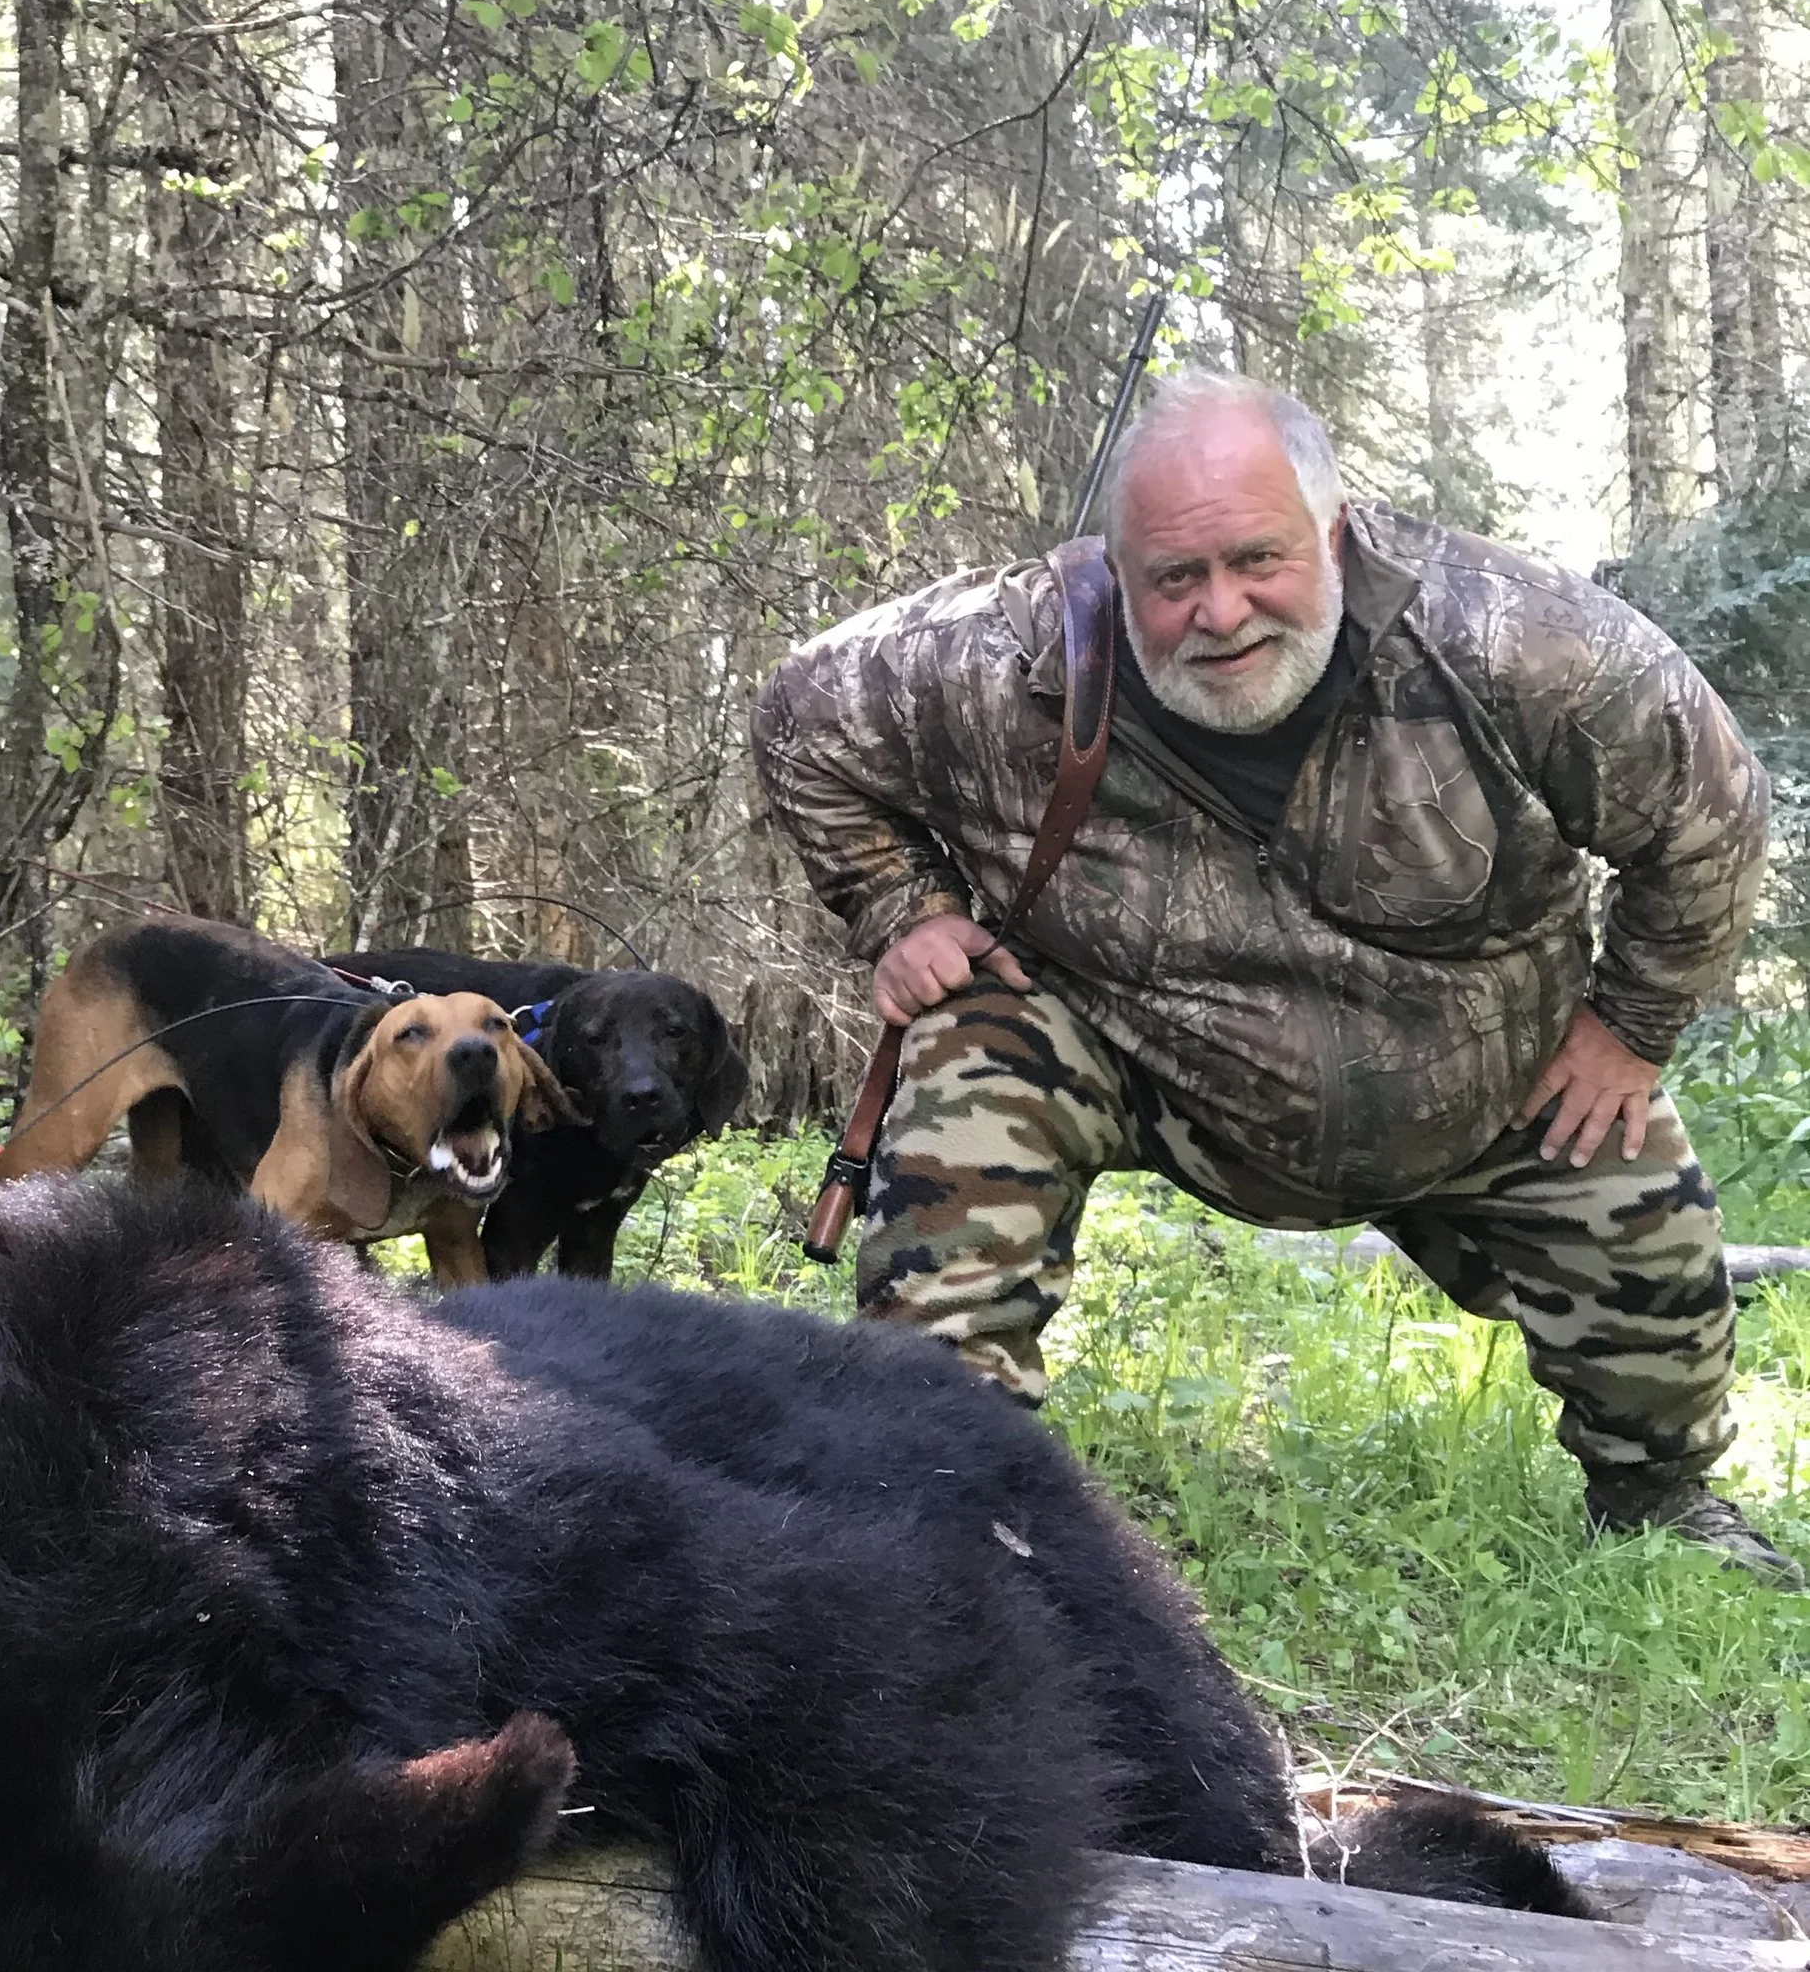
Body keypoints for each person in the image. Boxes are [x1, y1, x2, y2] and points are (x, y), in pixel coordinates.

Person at [752, 366, 1799, 1584]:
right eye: (1175, 578)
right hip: (1144, 1053)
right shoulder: (997, 655)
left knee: (1655, 1282)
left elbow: (1711, 811)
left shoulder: (1513, 638)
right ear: (1117, 565)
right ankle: (938, 1507)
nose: (1221, 611)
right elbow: (797, 716)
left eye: (1258, 560)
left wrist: (1630, 1024)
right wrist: (900, 910)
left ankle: (1659, 1503)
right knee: (970, 1039)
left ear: (1334, 530)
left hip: (1485, 1072)